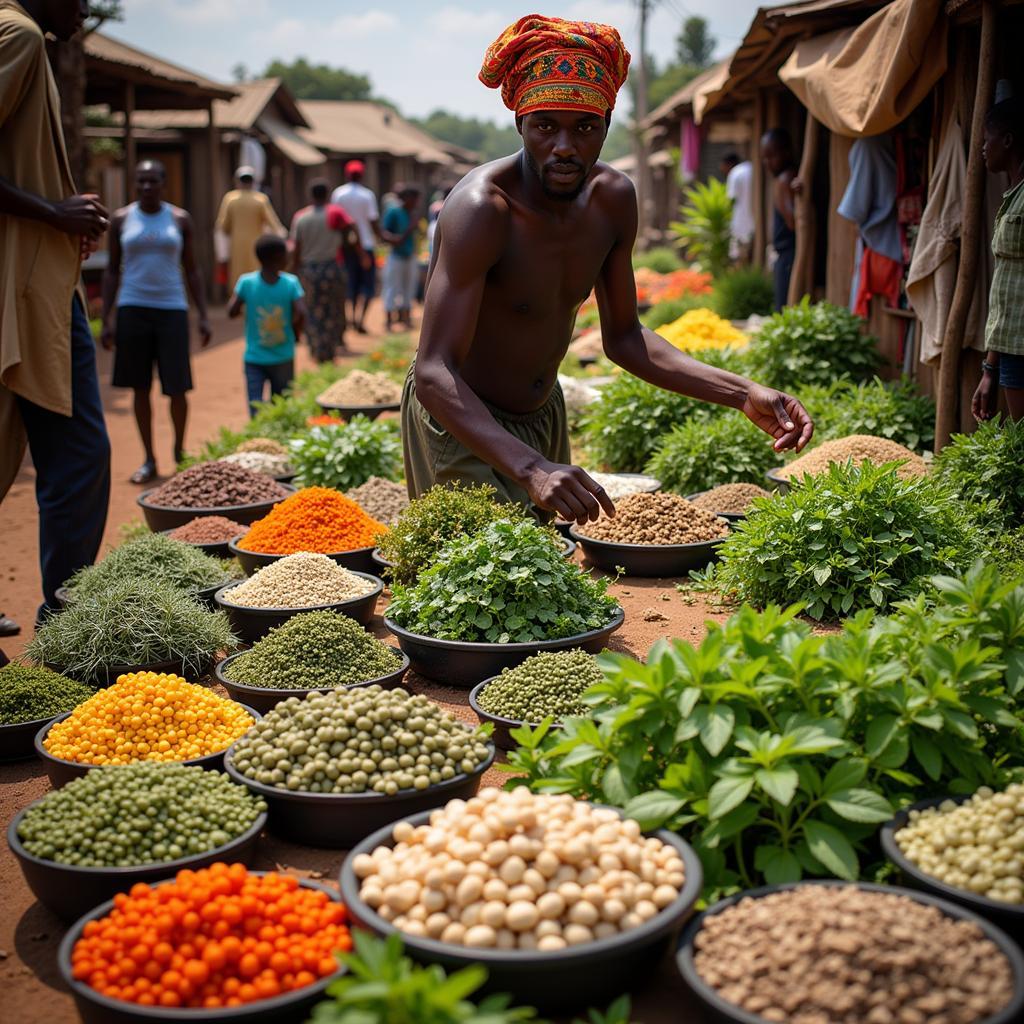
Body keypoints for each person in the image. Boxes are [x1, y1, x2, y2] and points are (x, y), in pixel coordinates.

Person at [405, 14, 813, 524]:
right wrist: (532, 469)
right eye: (545, 126)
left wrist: (740, 392)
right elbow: (433, 371)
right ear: (520, 124)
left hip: (541, 417)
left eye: (585, 127)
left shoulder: (612, 200)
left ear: (606, 126)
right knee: (477, 588)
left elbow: (624, 337)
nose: (564, 147)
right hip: (461, 416)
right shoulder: (483, 209)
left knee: (538, 578)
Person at [0, 0, 112, 627]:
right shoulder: (15, 33)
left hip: (36, 280)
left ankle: (63, 615)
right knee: (80, 455)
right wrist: (51, 215)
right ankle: (65, 621)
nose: (85, 8)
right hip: (25, 292)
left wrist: (56, 213)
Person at [101, 160, 211, 483]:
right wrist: (106, 318)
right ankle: (149, 458)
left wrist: (203, 314)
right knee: (140, 387)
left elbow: (192, 269)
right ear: (135, 185)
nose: (147, 187)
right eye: (141, 182)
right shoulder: (121, 219)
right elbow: (111, 271)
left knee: (177, 386)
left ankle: (179, 452)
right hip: (133, 307)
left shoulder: (178, 219)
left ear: (164, 184)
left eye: (153, 181)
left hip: (172, 308)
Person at [973, 97, 1024, 424]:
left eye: (986, 138)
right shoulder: (1013, 196)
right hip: (1011, 347)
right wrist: (991, 367)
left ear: (1007, 140)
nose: (982, 147)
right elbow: (1006, 289)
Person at [228, 235, 305, 416]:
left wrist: (244, 310)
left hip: (254, 357)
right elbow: (302, 312)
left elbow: (231, 311)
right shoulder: (290, 282)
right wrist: (296, 333)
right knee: (281, 408)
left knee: (255, 407)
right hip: (283, 356)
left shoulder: (246, 282)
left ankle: (258, 440)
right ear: (279, 258)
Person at [290, 178, 358, 363]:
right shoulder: (335, 212)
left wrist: (294, 269)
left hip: (309, 270)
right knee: (334, 308)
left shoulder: (301, 217)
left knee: (312, 308)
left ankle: (316, 346)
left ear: (310, 195)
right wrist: (354, 248)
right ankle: (330, 347)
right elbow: (352, 229)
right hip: (331, 268)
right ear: (327, 194)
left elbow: (297, 247)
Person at [216, 166, 285, 290]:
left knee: (238, 276)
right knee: (256, 273)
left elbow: (223, 226)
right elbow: (273, 223)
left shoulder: (230, 199)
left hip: (237, 246)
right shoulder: (260, 199)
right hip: (257, 244)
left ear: (237, 181)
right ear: (253, 182)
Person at [331, 160, 380, 334]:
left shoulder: (338, 194)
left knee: (350, 283)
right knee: (367, 285)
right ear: (362, 175)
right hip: (365, 245)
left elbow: (335, 220)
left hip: (346, 247)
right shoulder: (367, 195)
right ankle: (360, 319)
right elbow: (373, 221)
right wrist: (381, 237)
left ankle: (351, 317)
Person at [761, 128, 797, 310]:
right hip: (784, 254)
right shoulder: (784, 179)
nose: (768, 163)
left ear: (786, 152)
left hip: (789, 254)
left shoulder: (785, 179)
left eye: (772, 156)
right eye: (765, 158)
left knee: (784, 307)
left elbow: (794, 222)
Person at [382, 185, 421, 331]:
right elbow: (384, 233)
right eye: (415, 199)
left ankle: (405, 318)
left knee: (408, 287)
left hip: (410, 255)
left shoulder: (411, 213)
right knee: (392, 287)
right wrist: (401, 237)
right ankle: (389, 321)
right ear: (406, 198)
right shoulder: (394, 211)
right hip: (396, 255)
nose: (417, 203)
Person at [722, 151, 754, 265]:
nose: (722, 170)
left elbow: (731, 199)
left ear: (728, 164)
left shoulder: (735, 173)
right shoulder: (752, 168)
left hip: (741, 222)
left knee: (741, 259)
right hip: (757, 222)